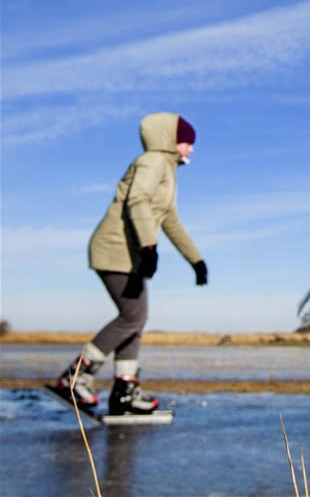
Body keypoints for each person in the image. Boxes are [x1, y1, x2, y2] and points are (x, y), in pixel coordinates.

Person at [53, 112, 207, 415]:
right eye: (188, 142)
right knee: (131, 317)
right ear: (172, 141)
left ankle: (124, 390)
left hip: (131, 255)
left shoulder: (168, 171)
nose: (191, 149)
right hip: (115, 249)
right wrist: (149, 246)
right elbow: (137, 201)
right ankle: (75, 378)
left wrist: (196, 260)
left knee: (135, 319)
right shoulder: (152, 162)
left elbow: (170, 221)